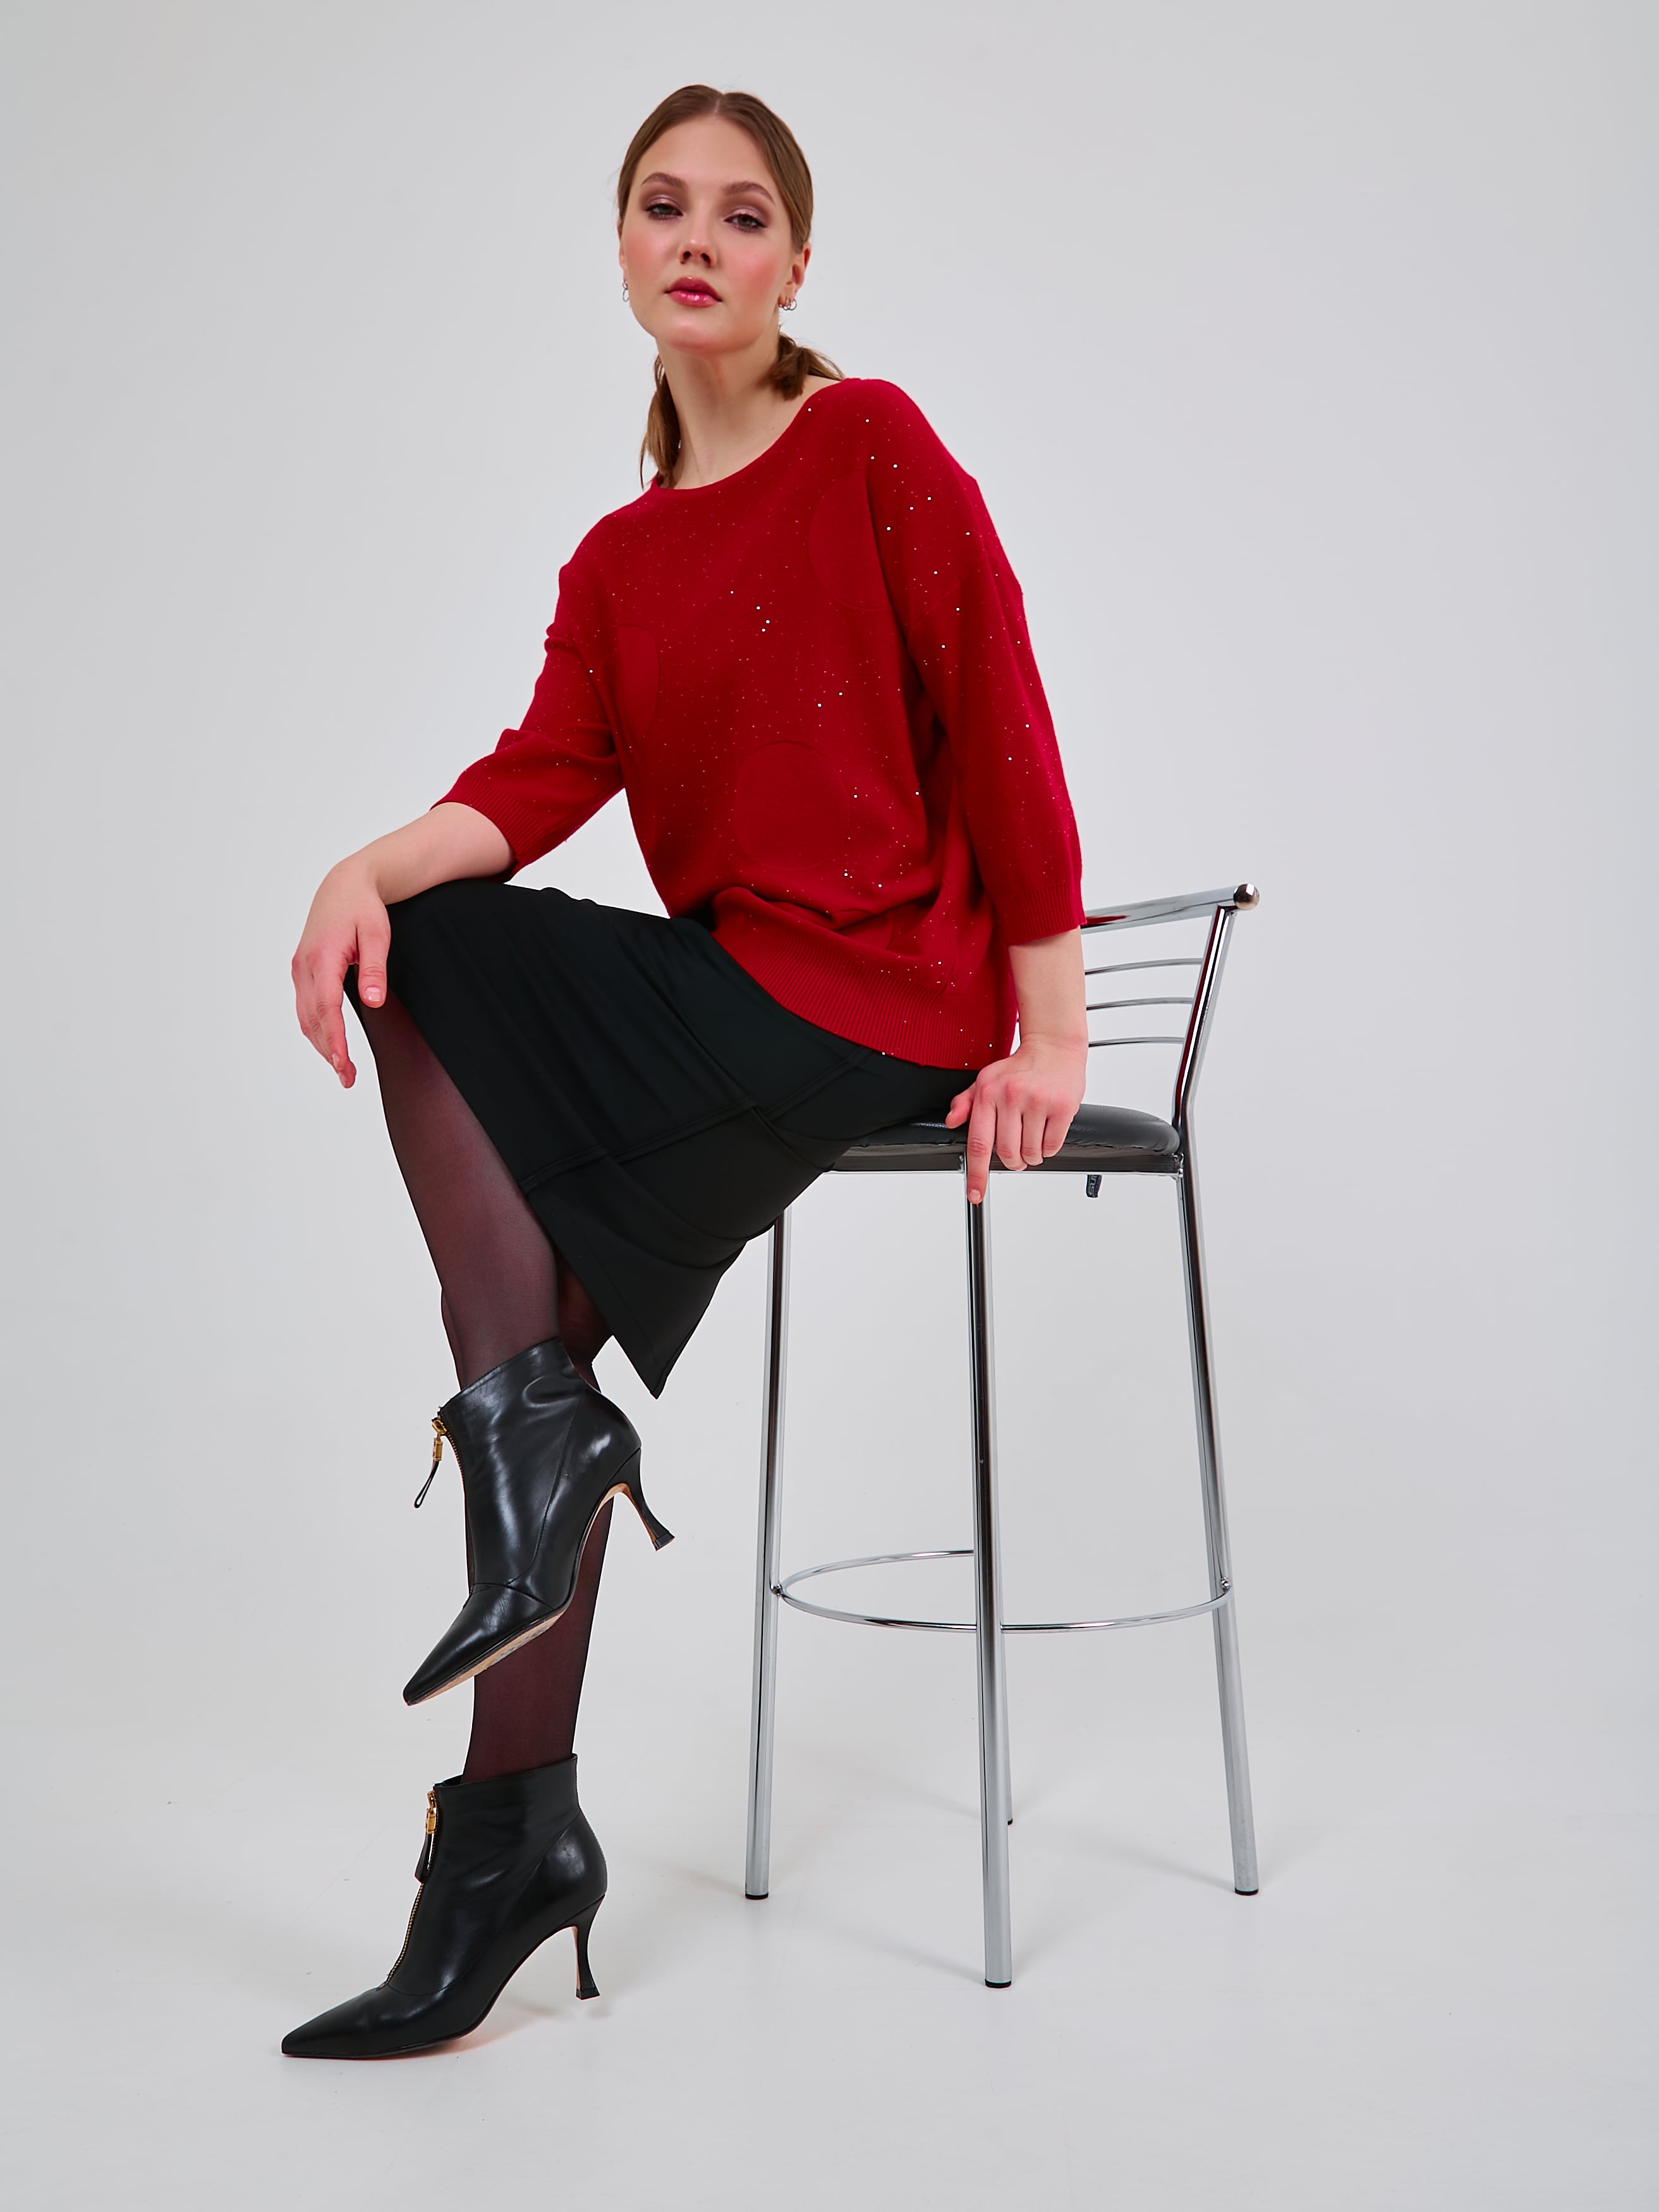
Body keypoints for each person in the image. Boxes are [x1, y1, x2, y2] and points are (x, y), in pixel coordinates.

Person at [281, 83, 1088, 2060]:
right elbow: (538, 778)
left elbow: (997, 701)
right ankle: (510, 1837)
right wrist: (359, 866)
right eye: (664, 206)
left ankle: (528, 1481)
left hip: (884, 1004)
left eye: (740, 213)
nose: (699, 239)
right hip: (740, 1010)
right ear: (625, 250)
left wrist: (1050, 1023)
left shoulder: (868, 443)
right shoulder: (616, 560)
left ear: (794, 262)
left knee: (453, 995)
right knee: (458, 1053)